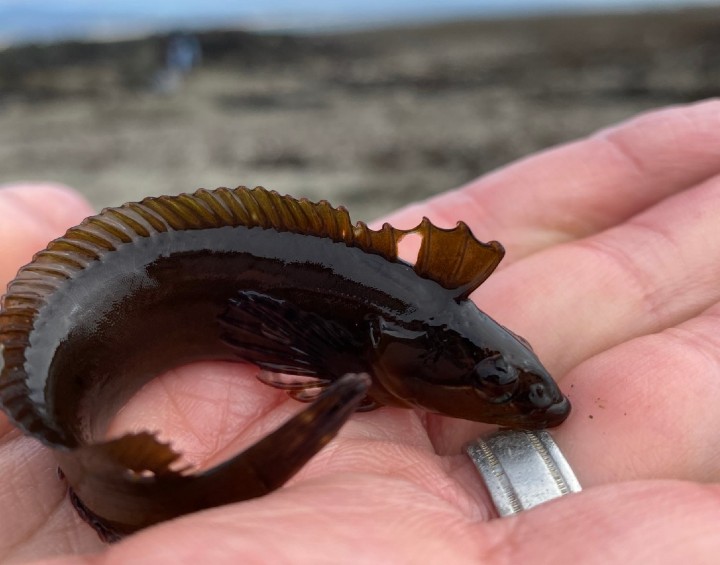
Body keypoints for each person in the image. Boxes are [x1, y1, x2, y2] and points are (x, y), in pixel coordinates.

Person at [1, 100, 719, 562]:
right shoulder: (383, 333)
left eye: (510, 380)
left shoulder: (405, 325)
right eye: (501, 382)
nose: (541, 408)